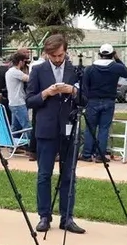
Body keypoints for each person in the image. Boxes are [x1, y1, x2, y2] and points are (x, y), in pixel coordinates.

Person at [26, 34, 87, 234]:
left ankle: (67, 217)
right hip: (46, 128)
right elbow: (29, 100)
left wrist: (73, 91)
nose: (58, 59)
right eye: (53, 56)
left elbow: (85, 99)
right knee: (44, 174)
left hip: (68, 126)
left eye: (61, 55)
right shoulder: (38, 70)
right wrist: (46, 93)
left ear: (65, 52)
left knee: (68, 174)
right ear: (47, 54)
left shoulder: (75, 70)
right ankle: (44, 216)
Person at [79, 44, 127, 163]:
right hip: (109, 100)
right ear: (112, 54)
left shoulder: (90, 69)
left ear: (99, 54)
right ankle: (100, 155)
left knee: (90, 128)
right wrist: (117, 59)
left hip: (92, 101)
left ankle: (87, 154)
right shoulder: (116, 67)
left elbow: (85, 86)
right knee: (104, 128)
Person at [4, 52, 33, 158]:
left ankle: (13, 146)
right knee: (27, 126)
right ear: (20, 62)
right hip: (18, 103)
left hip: (13, 102)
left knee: (15, 126)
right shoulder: (15, 72)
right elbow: (29, 79)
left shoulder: (9, 71)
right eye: (24, 62)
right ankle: (31, 148)